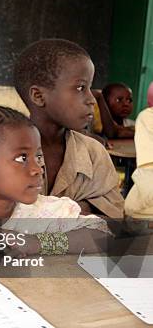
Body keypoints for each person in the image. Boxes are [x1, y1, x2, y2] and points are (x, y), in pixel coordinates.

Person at [0, 105, 110, 257]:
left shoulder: (42, 213)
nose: (37, 168)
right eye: (22, 158)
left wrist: (34, 243)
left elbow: (101, 236)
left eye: (38, 156)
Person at [13, 38, 124, 218]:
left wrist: (51, 213)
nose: (91, 99)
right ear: (38, 96)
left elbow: (114, 217)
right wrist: (81, 208)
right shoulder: (3, 152)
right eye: (80, 87)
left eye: (89, 88)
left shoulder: (94, 153)